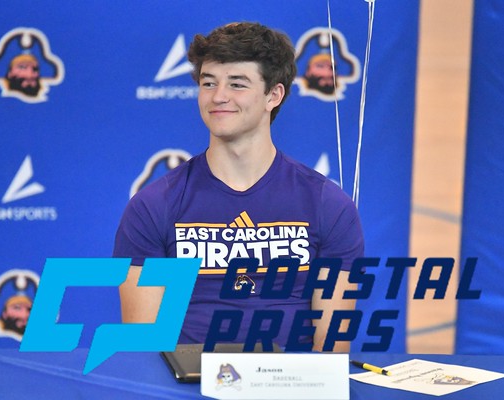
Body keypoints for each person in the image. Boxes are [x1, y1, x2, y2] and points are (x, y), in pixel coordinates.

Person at [113, 22, 364, 352]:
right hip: (187, 380)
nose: (218, 96)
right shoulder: (154, 205)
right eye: (208, 83)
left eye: (237, 84)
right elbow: (142, 347)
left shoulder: (326, 204)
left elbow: (331, 351)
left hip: (292, 380)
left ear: (273, 95)